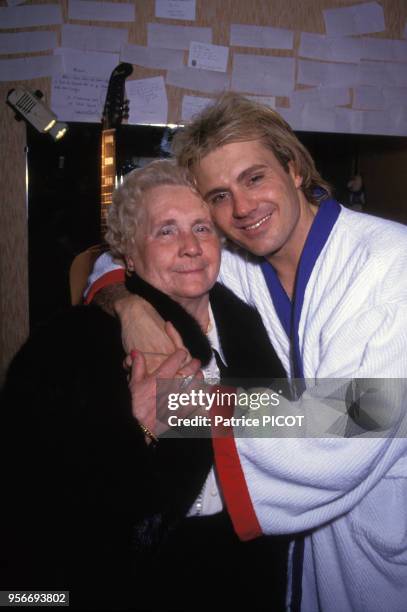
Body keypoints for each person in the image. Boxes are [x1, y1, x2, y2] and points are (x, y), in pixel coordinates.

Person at [85, 93, 407, 612]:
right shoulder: (242, 262)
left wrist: (183, 407)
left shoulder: (391, 264)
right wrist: (128, 307)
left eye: (254, 178)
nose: (241, 208)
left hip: (379, 558)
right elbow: (126, 257)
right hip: (296, 561)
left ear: (294, 168)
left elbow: (356, 419)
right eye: (217, 195)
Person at [0, 159, 289, 611]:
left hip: (250, 577)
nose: (191, 247)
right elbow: (30, 509)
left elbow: (302, 426)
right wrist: (138, 429)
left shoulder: (255, 323)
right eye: (166, 231)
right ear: (128, 256)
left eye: (201, 228)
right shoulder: (67, 347)